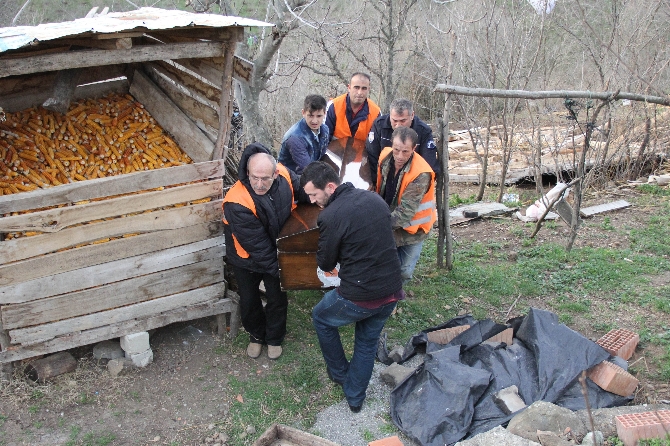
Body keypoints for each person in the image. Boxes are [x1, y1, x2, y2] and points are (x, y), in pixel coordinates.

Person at [300, 161, 404, 413]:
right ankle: (355, 398)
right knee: (366, 343)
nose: (313, 201)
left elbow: (325, 262)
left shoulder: (330, 216)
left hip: (359, 295)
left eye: (314, 194)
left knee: (321, 318)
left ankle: (339, 373)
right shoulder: (375, 199)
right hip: (391, 290)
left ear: (331, 187)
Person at [222, 143, 303, 360]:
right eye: (254, 177)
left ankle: (275, 337)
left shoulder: (284, 174)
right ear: (248, 173)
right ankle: (256, 335)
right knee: (249, 300)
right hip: (246, 257)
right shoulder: (236, 201)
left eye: (265, 179)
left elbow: (302, 189)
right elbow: (257, 247)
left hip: (276, 249)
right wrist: (283, 269)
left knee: (277, 297)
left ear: (275, 173)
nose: (259, 184)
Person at [376, 126, 437, 283]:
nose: (400, 156)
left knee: (404, 270)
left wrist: (376, 226)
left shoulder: (421, 173)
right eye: (396, 150)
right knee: (386, 264)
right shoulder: (384, 157)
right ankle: (386, 293)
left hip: (413, 230)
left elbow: (405, 213)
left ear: (414, 148)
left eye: (405, 151)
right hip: (389, 219)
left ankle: (395, 294)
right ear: (391, 145)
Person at [366, 98, 439, 185]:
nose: (398, 125)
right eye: (395, 121)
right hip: (382, 180)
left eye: (403, 121)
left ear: (412, 115)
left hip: (411, 182)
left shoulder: (423, 131)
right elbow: (371, 157)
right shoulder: (379, 125)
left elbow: (429, 165)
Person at [278, 95, 329, 174]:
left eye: (319, 116)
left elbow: (322, 158)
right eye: (310, 116)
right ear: (303, 113)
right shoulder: (294, 138)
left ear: (325, 113)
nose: (314, 121)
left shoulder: (325, 130)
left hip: (311, 173)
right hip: (290, 178)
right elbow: (308, 169)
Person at [325, 73, 381, 142]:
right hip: (331, 151)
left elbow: (376, 144)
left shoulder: (376, 112)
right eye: (356, 87)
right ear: (349, 87)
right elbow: (323, 138)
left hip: (363, 152)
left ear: (368, 89)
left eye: (364, 88)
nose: (360, 92)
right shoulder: (333, 106)